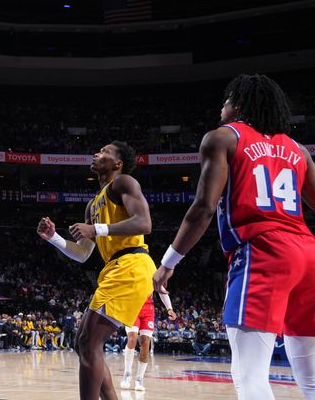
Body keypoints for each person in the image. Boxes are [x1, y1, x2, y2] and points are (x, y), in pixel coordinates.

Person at [153, 74, 315, 400]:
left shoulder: (223, 138)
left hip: (263, 252)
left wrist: (169, 262)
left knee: (249, 374)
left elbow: (203, 208)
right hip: (309, 255)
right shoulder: (298, 150)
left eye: (225, 101)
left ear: (238, 105)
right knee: (311, 377)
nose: (221, 107)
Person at [37, 141, 155, 400]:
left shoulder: (124, 183)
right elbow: (81, 253)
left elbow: (144, 223)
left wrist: (98, 229)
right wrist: (54, 238)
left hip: (132, 264)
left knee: (88, 343)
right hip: (116, 268)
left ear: (118, 163)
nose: (96, 153)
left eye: (104, 152)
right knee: (84, 345)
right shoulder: (93, 205)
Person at [120, 294, 176, 391]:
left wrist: (169, 308)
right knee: (132, 339)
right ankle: (127, 374)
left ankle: (139, 379)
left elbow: (161, 290)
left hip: (148, 310)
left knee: (146, 343)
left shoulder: (153, 278)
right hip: (131, 307)